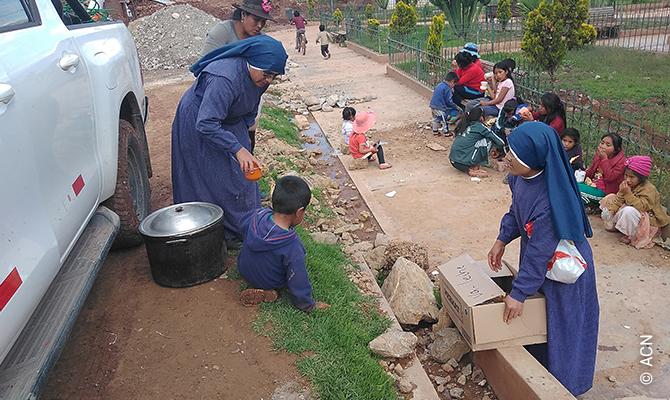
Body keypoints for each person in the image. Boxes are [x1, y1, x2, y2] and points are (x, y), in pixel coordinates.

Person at [488, 122, 599, 397]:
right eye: (508, 150)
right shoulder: (518, 177)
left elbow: (540, 252)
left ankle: (566, 387)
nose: (507, 158)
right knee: (542, 318)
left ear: (535, 159)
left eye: (514, 154)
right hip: (541, 260)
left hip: (566, 269)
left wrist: (519, 292)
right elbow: (516, 211)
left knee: (565, 324)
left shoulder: (551, 199)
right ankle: (539, 368)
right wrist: (502, 239)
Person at [172, 35, 288, 251]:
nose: (270, 80)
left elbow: (251, 108)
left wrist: (244, 144)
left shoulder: (260, 77)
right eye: (268, 74)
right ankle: (217, 230)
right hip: (201, 119)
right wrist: (236, 148)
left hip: (231, 119)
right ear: (252, 64)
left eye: (275, 76)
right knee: (208, 175)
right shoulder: (224, 79)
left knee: (241, 175)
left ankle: (243, 226)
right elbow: (206, 123)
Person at [237, 176, 331, 312]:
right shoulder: (292, 245)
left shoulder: (257, 215)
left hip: (244, 268)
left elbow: (241, 225)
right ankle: (269, 290)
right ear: (299, 212)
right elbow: (298, 280)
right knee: (288, 271)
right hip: (268, 280)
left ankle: (258, 282)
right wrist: (308, 305)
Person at [600, 156, 670, 248]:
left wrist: (628, 193)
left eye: (632, 177)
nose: (627, 179)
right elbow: (618, 199)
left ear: (641, 178)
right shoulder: (626, 184)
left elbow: (641, 207)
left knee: (628, 211)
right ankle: (617, 225)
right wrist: (611, 211)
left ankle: (633, 236)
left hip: (646, 219)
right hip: (630, 211)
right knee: (610, 198)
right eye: (626, 175)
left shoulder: (649, 189)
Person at [199, 0, 275, 56]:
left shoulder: (257, 39)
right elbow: (204, 66)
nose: (260, 25)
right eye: (256, 20)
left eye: (263, 22)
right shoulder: (222, 31)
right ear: (243, 14)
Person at [448, 106, 504, 178]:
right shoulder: (480, 126)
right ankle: (474, 168)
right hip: (463, 164)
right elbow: (500, 142)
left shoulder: (465, 124)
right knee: (489, 140)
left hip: (453, 161)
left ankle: (470, 164)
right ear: (481, 118)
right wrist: (498, 150)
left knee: (474, 142)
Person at [578, 132, 626, 207]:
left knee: (576, 188)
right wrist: (582, 173)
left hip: (604, 191)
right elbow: (591, 171)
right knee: (571, 183)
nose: (603, 146)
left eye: (608, 145)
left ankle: (593, 205)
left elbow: (610, 177)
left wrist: (604, 160)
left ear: (616, 150)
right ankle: (588, 204)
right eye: (602, 143)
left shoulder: (621, 162)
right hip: (592, 185)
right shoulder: (599, 155)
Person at [430, 71, 463, 137]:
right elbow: (449, 101)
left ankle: (435, 131)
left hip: (433, 105)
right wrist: (455, 106)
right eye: (454, 84)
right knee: (444, 120)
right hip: (440, 107)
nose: (453, 86)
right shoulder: (447, 89)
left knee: (436, 119)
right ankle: (446, 133)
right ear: (452, 81)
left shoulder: (440, 85)